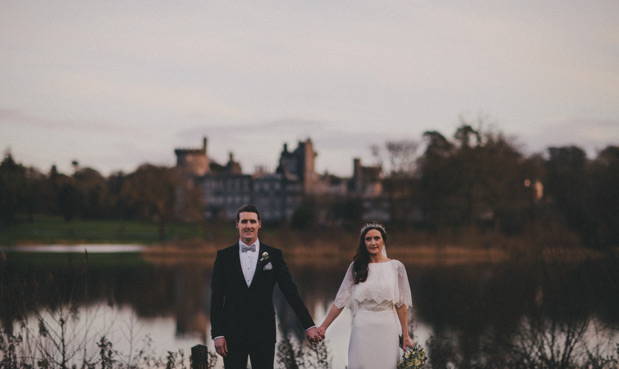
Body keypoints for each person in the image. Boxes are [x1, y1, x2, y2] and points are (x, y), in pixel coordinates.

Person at [210, 204, 323, 369]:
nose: (248, 226)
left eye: (252, 221)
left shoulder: (274, 256)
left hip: (263, 333)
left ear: (259, 224)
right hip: (232, 333)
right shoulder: (223, 257)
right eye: (244, 222)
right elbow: (216, 298)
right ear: (237, 224)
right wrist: (218, 334)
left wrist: (309, 325)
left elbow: (290, 292)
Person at [317, 222, 414, 369]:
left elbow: (401, 305)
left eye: (377, 238)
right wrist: (323, 327)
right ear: (363, 242)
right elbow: (340, 301)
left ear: (383, 241)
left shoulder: (396, 267)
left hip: (387, 327)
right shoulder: (356, 267)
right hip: (362, 327)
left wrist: (405, 336)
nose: (373, 242)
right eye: (368, 239)